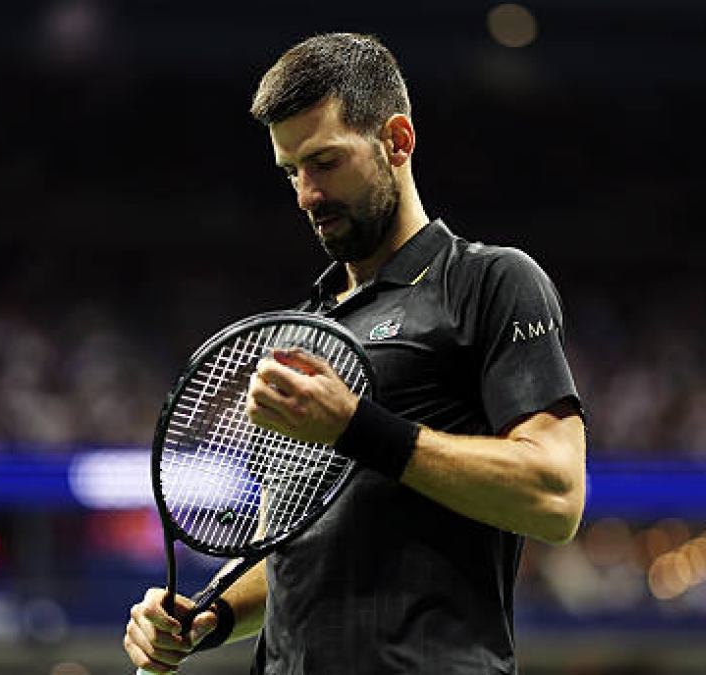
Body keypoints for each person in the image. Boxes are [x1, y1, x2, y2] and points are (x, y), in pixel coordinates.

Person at [125, 32, 586, 674]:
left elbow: (556, 494)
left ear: (397, 141)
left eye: (326, 162)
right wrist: (212, 613)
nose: (306, 195)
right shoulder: (302, 334)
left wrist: (357, 428)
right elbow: (291, 552)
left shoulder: (492, 282)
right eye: (292, 172)